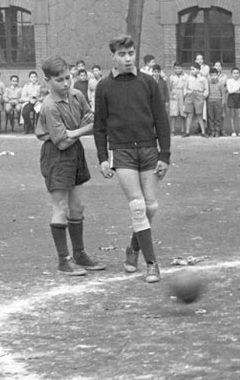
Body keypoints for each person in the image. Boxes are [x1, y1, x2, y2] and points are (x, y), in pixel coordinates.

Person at [93, 34, 171, 284]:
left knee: (151, 207)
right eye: (122, 55)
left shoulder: (149, 82)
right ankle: (152, 264)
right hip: (122, 152)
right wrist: (103, 158)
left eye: (131, 54)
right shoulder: (104, 87)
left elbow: (161, 120)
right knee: (137, 206)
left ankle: (134, 248)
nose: (127, 59)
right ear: (113, 56)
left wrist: (165, 154)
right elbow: (99, 126)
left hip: (149, 149)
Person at [34, 55, 106, 276]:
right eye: (60, 80)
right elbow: (62, 141)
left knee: (78, 207)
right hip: (56, 156)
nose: (66, 84)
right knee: (61, 207)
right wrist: (79, 130)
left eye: (68, 78)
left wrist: (74, 131)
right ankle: (63, 260)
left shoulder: (76, 95)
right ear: (48, 81)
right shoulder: (49, 106)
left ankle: (79, 253)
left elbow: (95, 122)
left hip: (75, 153)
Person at [183, 62, 208, 137]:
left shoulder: (203, 78)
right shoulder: (188, 78)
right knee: (189, 114)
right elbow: (185, 87)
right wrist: (186, 94)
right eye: (190, 69)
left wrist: (203, 96)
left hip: (198, 95)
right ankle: (187, 131)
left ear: (198, 69)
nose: (191, 71)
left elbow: (206, 89)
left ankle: (203, 131)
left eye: (193, 69)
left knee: (199, 114)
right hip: (190, 95)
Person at [168, 62, 187, 135]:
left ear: (182, 68)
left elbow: (186, 86)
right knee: (173, 112)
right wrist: (171, 95)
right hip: (174, 93)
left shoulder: (185, 76)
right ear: (174, 69)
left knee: (183, 112)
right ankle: (172, 129)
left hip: (182, 93)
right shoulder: (172, 77)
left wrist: (185, 95)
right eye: (176, 68)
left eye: (179, 68)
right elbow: (169, 87)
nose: (178, 70)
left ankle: (183, 129)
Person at [225, 67, 240, 136]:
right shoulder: (229, 81)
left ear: (239, 74)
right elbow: (230, 91)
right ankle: (233, 131)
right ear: (231, 74)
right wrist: (238, 88)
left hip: (239, 98)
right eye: (234, 73)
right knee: (232, 115)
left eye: (237, 73)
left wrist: (238, 89)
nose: (236, 75)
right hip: (232, 98)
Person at [206, 67, 225, 137]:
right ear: (209, 76)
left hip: (218, 101)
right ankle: (212, 131)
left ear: (217, 75)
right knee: (211, 117)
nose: (213, 77)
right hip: (210, 101)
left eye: (215, 75)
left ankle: (217, 131)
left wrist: (223, 103)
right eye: (211, 75)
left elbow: (223, 94)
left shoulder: (220, 84)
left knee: (218, 117)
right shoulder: (208, 84)